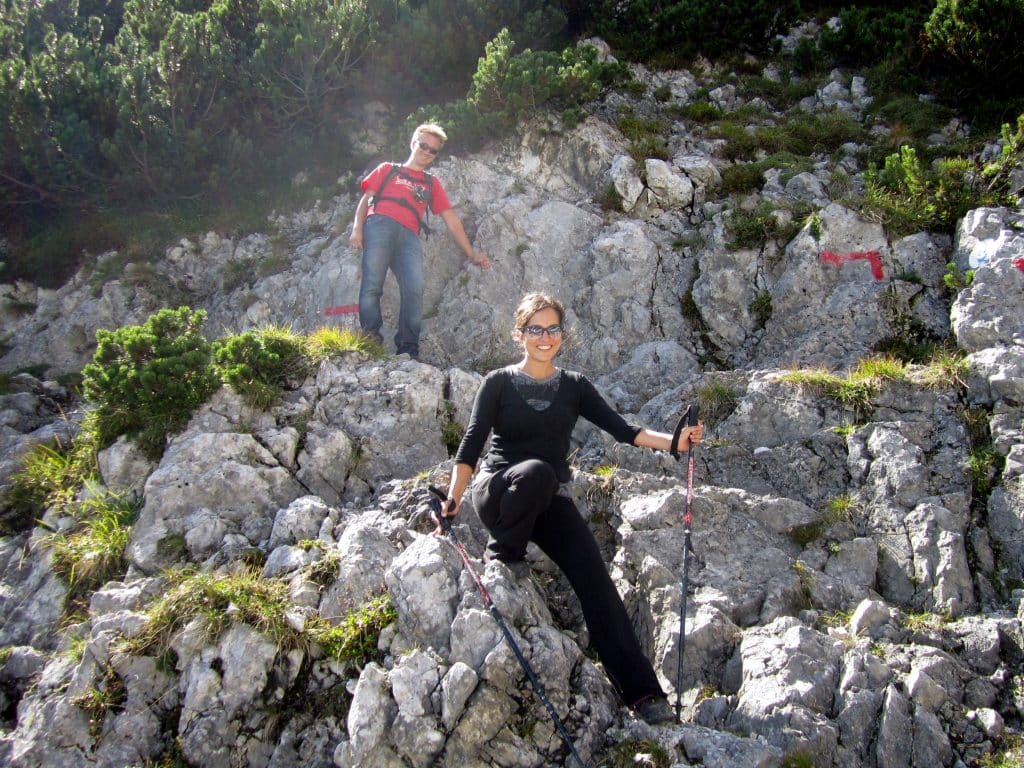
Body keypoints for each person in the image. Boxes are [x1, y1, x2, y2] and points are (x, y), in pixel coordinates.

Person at [437, 292, 704, 726]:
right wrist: (452, 499)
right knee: (537, 471)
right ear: (519, 334)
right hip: (500, 492)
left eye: (552, 329)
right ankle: (504, 556)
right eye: (535, 329)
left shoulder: (575, 386)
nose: (545, 337)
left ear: (562, 334)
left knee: (596, 582)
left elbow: (624, 430)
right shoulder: (498, 382)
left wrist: (675, 443)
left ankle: (644, 695)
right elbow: (471, 444)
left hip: (545, 496)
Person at [349, 123, 490, 358]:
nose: (427, 152)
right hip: (380, 224)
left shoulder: (431, 183)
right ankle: (371, 341)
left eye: (433, 150)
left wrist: (472, 254)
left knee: (414, 289)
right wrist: (357, 229)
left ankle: (408, 348)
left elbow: (452, 220)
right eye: (423, 145)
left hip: (409, 236)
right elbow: (366, 199)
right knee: (372, 285)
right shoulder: (387, 169)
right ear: (413, 143)